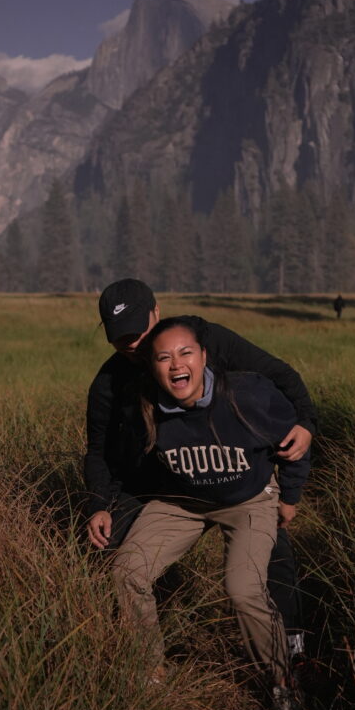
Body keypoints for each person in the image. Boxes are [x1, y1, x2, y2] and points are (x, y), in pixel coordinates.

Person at [85, 279, 313, 659]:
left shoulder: (202, 341)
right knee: (112, 551)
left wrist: (305, 424)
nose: (134, 345)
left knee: (271, 558)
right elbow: (97, 451)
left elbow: (281, 376)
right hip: (163, 483)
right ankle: (142, 660)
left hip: (243, 475)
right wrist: (98, 503)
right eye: (122, 339)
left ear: (157, 313)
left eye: (140, 332)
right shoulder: (110, 382)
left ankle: (293, 648)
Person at [108, 316, 310, 710]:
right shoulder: (140, 405)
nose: (176, 364)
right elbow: (121, 462)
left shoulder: (247, 394)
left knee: (242, 587)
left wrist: (288, 496)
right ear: (152, 366)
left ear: (203, 357)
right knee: (128, 571)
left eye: (185, 353)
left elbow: (297, 438)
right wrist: (106, 504)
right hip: (182, 502)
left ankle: (283, 690)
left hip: (249, 498)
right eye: (163, 357)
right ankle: (149, 675)